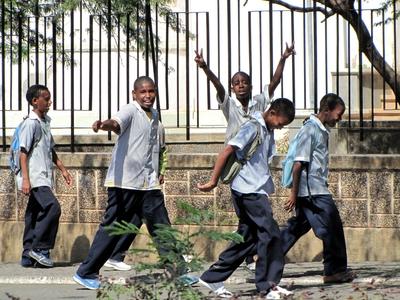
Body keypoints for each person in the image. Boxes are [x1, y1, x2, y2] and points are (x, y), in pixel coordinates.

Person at [73, 76, 191, 290]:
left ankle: (177, 269)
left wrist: (159, 172)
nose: (147, 96)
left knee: (161, 225)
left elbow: (159, 149)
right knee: (112, 227)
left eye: (151, 91)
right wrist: (103, 125)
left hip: (148, 183)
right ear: (134, 94)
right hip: (124, 183)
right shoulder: (130, 110)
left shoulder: (155, 117)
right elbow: (116, 124)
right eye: (143, 92)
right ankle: (86, 271)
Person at [195, 43, 295, 269]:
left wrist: (283, 58)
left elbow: (274, 83)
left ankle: (246, 259)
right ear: (232, 87)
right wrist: (205, 68)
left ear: (250, 85)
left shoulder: (260, 103)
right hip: (239, 166)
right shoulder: (229, 105)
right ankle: (247, 260)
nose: (240, 86)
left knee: (251, 220)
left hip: (256, 165)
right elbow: (218, 86)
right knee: (251, 218)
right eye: (236, 83)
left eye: (244, 82)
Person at [197, 98, 295, 299]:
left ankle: (213, 276)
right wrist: (213, 181)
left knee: (248, 237)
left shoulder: (266, 130)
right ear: (272, 112)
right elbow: (228, 150)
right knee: (271, 234)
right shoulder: (252, 127)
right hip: (248, 190)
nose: (280, 127)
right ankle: (267, 286)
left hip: (254, 188)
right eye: (280, 123)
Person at [281, 93, 356, 284]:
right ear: (326, 110)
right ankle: (334, 271)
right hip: (313, 192)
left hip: (314, 189)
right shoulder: (310, 130)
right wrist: (294, 193)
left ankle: (267, 257)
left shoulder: (320, 130)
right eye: (338, 114)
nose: (340, 118)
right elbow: (298, 164)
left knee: (296, 227)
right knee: (332, 227)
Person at [19, 84, 73, 268]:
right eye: (46, 98)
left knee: (33, 214)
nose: (50, 102)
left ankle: (27, 255)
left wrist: (63, 169)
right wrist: (26, 179)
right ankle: (40, 249)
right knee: (52, 207)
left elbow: (51, 150)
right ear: (35, 101)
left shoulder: (45, 122)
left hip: (44, 176)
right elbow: (23, 153)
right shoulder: (30, 123)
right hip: (35, 177)